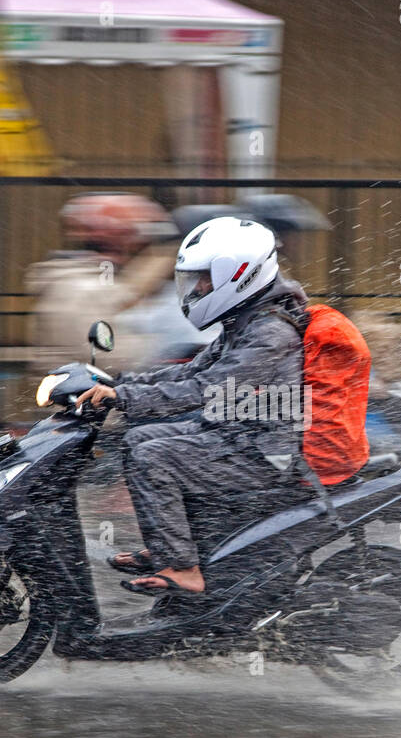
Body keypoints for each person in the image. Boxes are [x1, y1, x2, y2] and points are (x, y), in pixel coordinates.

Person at [75, 216, 309, 595]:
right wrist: (117, 385)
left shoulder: (270, 332)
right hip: (236, 435)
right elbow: (190, 371)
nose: (198, 287)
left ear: (241, 275)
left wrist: (125, 398)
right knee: (139, 439)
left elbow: (206, 387)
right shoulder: (246, 320)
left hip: (263, 452)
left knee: (155, 457)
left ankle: (184, 569)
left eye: (206, 278)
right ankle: (169, 547)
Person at [27, 193, 178, 375]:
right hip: (85, 398)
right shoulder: (77, 289)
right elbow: (111, 356)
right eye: (133, 236)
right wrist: (171, 347)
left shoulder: (105, 282)